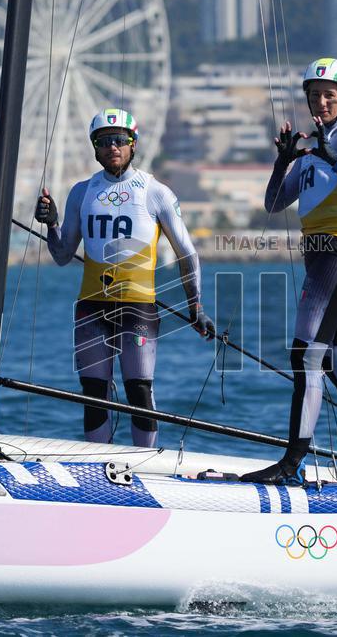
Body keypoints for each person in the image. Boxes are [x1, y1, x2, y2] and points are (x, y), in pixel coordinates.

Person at [241, 58, 337, 485]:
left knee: (304, 357)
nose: (321, 102)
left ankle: (291, 465)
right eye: (314, 95)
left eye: (330, 95)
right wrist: (283, 161)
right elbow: (273, 204)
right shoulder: (312, 151)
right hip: (325, 258)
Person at [34, 108, 215, 447]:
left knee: (138, 389)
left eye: (119, 141)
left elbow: (187, 253)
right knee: (93, 392)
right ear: (95, 148)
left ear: (133, 145)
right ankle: (97, 462)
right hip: (91, 307)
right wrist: (52, 224)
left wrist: (196, 307)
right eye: (104, 142)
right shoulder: (81, 192)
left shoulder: (156, 191)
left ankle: (144, 465)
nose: (112, 147)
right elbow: (61, 255)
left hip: (138, 308)